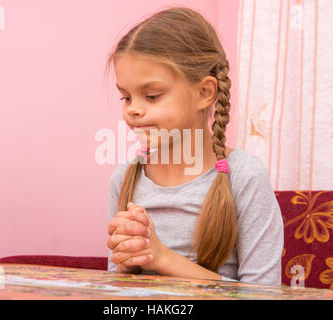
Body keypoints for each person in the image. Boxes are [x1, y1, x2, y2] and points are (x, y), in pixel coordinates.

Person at [105, 6, 284, 286]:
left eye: (152, 96)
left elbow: (262, 294)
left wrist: (162, 257)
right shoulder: (125, 178)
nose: (133, 110)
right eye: (126, 98)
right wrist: (129, 264)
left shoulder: (245, 177)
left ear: (204, 93)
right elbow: (116, 288)